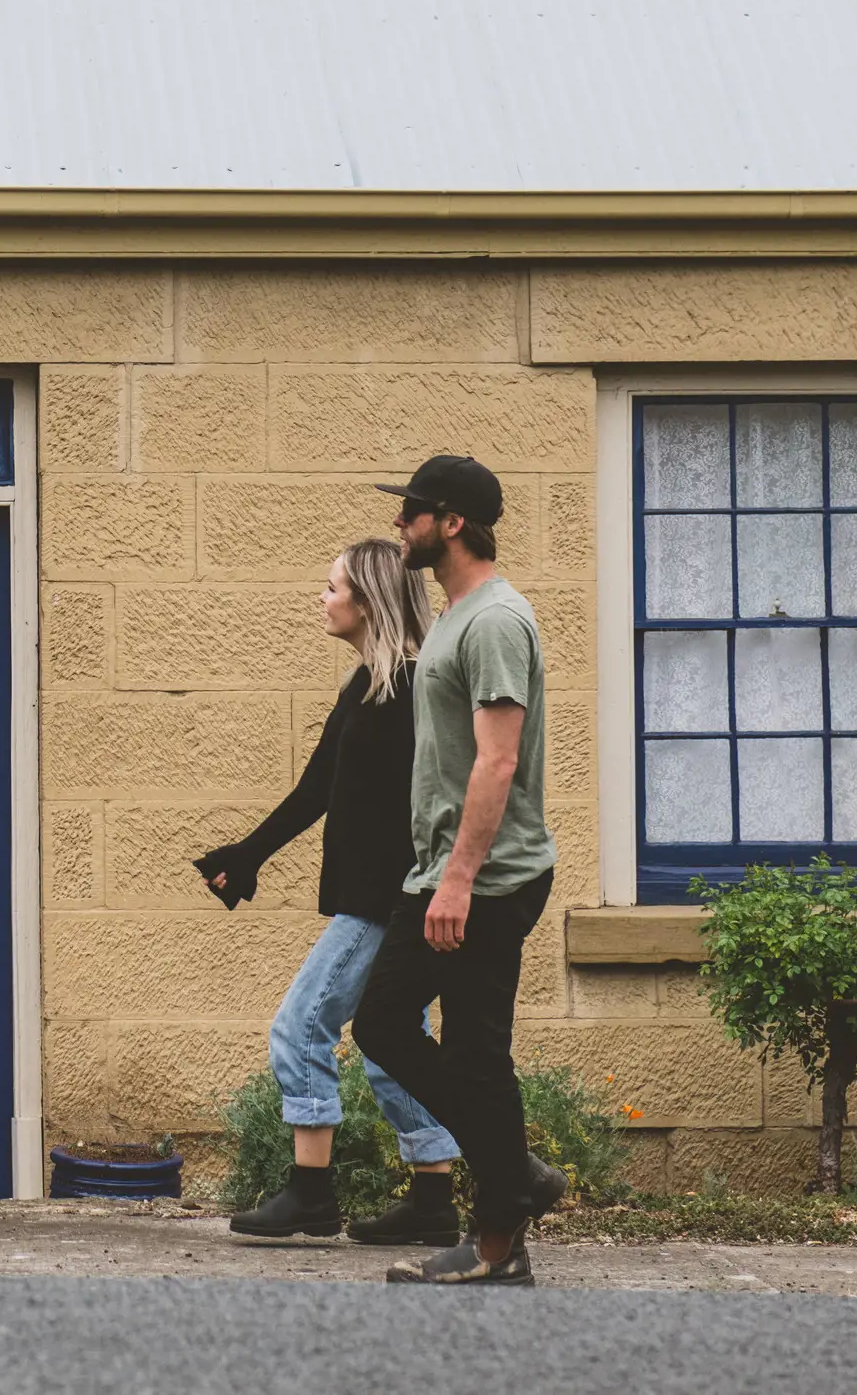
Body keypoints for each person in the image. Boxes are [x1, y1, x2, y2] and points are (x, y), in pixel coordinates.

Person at [196, 536, 464, 1243]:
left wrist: (436, 888)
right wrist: (247, 855)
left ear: (368, 598)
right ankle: (433, 1202)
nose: (321, 597)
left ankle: (311, 1194)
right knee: (391, 1044)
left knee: (299, 1025)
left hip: (386, 901)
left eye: (332, 586)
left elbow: (448, 795)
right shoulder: (365, 686)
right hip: (375, 898)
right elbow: (318, 786)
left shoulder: (415, 688)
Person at [350, 452, 565, 1287]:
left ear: (450, 521)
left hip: (489, 875)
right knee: (385, 1023)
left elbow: (496, 761)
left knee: (473, 1053)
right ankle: (515, 1177)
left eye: (411, 510)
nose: (398, 522)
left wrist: (458, 878)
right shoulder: (453, 614)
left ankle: (497, 1242)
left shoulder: (495, 621)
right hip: (444, 869)